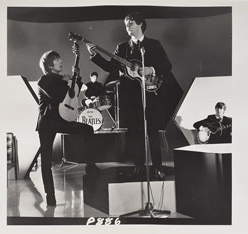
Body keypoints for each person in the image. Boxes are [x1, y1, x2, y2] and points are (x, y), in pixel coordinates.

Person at [85, 12, 176, 180]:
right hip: (131, 98)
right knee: (135, 134)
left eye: (131, 23)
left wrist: (150, 70)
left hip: (151, 94)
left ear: (141, 24)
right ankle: (138, 167)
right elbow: (110, 67)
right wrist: (94, 54)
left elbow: (167, 66)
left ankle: (157, 168)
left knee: (153, 132)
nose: (127, 27)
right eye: (126, 24)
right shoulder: (122, 48)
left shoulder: (154, 45)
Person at [36, 50, 99, 206]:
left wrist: (76, 77)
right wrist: (66, 79)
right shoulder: (43, 81)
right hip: (47, 122)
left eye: (60, 59)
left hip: (63, 118)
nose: (61, 61)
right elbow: (58, 96)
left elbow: (74, 93)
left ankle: (91, 167)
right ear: (49, 64)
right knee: (46, 160)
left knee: (88, 130)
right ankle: (50, 195)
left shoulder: (62, 80)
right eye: (57, 60)